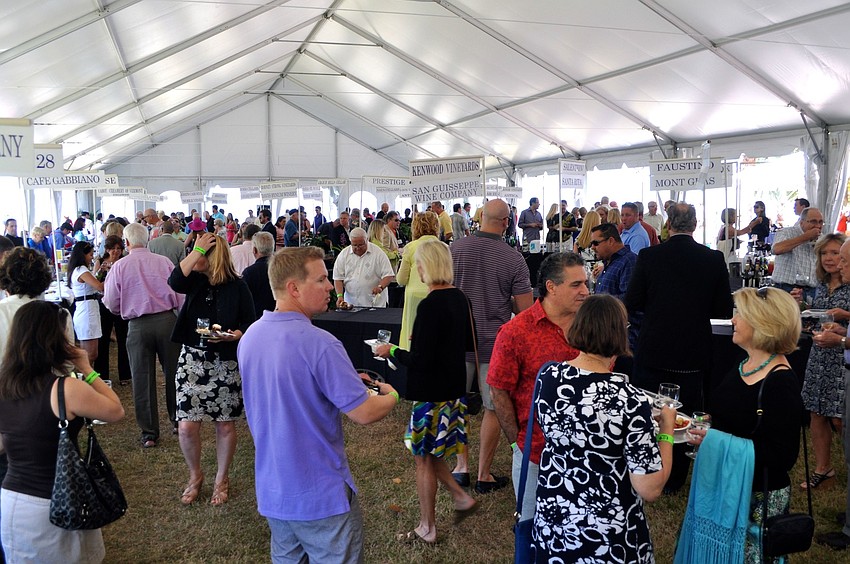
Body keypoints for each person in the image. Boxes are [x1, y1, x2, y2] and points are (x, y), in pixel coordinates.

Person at [238, 246, 399, 562]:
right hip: (321, 494)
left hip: (274, 489)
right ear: (293, 288)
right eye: (321, 279)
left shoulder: (251, 336)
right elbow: (364, 413)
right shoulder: (321, 343)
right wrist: (392, 395)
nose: (330, 286)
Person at [532, 294, 674, 562]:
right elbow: (650, 487)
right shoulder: (630, 400)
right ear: (619, 334)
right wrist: (666, 430)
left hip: (556, 518)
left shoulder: (548, 377)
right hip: (608, 535)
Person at [0, 300, 124, 564]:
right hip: (60, 498)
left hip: (14, 500)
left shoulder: (5, 386)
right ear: (55, 340)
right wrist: (87, 370)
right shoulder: (65, 389)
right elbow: (116, 411)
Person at [625, 203, 734, 493]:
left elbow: (632, 301)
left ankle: (645, 465)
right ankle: (675, 478)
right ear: (695, 225)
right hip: (692, 349)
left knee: (646, 409)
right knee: (684, 415)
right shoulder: (712, 259)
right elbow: (724, 308)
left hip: (655, 345)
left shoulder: (650, 256)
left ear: (668, 225)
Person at [689, 287, 803, 562]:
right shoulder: (746, 363)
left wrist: (715, 441)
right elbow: (741, 415)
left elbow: (782, 455)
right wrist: (711, 422)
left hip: (757, 494)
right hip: (729, 483)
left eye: (740, 313)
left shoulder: (780, 381)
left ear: (764, 323)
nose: (733, 321)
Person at [375, 240, 478, 543]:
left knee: (423, 458)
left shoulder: (430, 305)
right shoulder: (460, 298)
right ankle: (460, 497)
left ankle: (427, 527)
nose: (417, 269)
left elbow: (420, 360)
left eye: (419, 263)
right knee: (430, 453)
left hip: (431, 394)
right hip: (453, 390)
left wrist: (390, 350)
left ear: (427, 266)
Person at [487, 253, 587, 529]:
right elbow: (498, 390)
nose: (585, 291)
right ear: (551, 286)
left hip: (587, 453)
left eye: (586, 283)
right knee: (531, 529)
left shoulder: (592, 326)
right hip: (535, 451)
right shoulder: (516, 332)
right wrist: (516, 442)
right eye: (576, 284)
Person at [451, 199, 533, 493]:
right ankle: (484, 474)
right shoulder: (513, 258)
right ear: (507, 222)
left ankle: (461, 467)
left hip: (456, 342)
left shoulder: (454, 249)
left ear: (481, 217)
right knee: (491, 407)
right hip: (494, 344)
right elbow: (525, 311)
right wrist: (501, 299)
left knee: (457, 404)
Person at [168, 232, 255, 506]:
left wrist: (236, 334)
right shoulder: (193, 281)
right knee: (186, 426)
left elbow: (250, 322)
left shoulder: (238, 287)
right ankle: (195, 476)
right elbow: (174, 280)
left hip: (224, 361)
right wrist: (196, 251)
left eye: (202, 254)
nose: (196, 259)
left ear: (214, 257)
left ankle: (221, 478)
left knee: (224, 425)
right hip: (192, 360)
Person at [103, 223, 183, 448]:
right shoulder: (164, 263)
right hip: (167, 321)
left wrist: (122, 311)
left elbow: (110, 302)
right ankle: (177, 420)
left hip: (137, 324)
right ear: (148, 240)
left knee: (142, 377)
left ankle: (149, 433)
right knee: (173, 373)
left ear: (126, 243)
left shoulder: (119, 267)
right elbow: (180, 295)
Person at [800, 233, 850, 490]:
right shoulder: (818, 286)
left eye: (835, 253)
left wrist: (845, 316)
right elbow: (814, 319)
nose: (830, 259)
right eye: (825, 253)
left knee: (840, 418)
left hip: (844, 359)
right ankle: (823, 468)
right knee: (816, 412)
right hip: (820, 354)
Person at [397, 212, 440, 350]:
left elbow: (401, 280)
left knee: (412, 335)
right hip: (435, 295)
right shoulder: (443, 247)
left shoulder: (410, 247)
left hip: (414, 296)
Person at [93, 235, 131, 386]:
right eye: (112, 249)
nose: (115, 251)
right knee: (103, 339)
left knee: (123, 339)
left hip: (121, 303)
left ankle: (125, 375)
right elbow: (96, 281)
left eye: (118, 248)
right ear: (107, 249)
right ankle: (102, 374)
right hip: (103, 302)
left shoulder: (124, 263)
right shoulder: (101, 262)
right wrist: (103, 270)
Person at [333, 228, 394, 308]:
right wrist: (340, 296)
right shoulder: (344, 254)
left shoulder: (378, 253)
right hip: (351, 304)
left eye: (361, 244)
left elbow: (388, 275)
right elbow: (338, 278)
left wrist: (380, 287)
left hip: (375, 305)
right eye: (354, 245)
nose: (358, 248)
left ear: (367, 240)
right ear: (350, 241)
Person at [772, 206, 823, 304]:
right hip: (786, 289)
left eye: (820, 222)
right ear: (802, 222)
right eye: (813, 221)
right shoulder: (787, 232)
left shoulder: (822, 238)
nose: (818, 225)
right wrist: (805, 237)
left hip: (811, 291)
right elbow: (777, 249)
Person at [66, 240, 105, 365]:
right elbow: (99, 286)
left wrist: (100, 273)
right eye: (90, 254)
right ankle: (87, 379)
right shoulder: (81, 270)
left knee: (88, 352)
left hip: (87, 309)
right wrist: (112, 276)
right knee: (91, 354)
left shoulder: (78, 270)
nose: (92, 257)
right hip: (87, 311)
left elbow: (93, 283)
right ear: (83, 255)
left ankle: (87, 379)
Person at [242, 231, 276, 317]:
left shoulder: (249, 273)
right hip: (279, 316)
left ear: (254, 250)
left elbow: (244, 301)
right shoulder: (283, 269)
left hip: (256, 318)